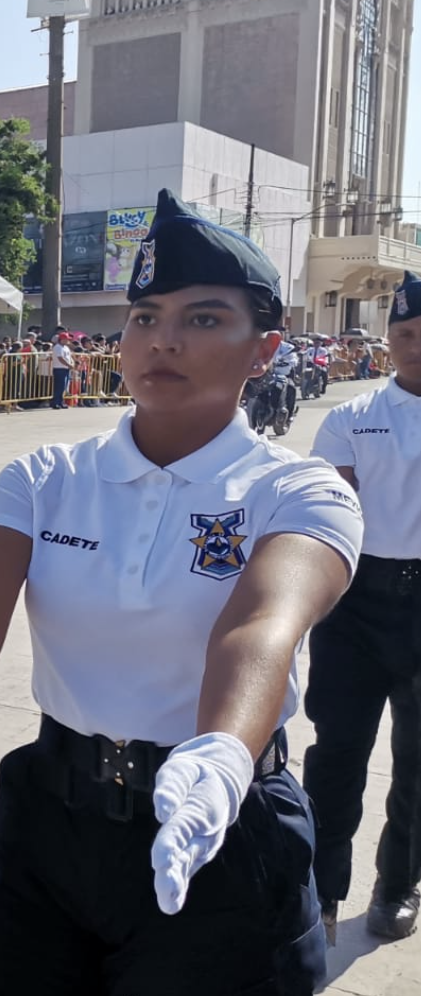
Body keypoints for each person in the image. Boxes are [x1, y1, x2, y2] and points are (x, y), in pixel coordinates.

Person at [0, 190, 361, 994]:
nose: (163, 340)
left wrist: (218, 757)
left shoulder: (300, 490)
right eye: (145, 317)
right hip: (53, 828)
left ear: (265, 349)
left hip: (221, 829)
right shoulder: (45, 479)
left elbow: (262, 625)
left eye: (204, 319)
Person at [302, 271, 421, 944]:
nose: (414, 346)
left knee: (418, 761)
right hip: (357, 603)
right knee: (337, 753)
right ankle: (320, 890)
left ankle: (399, 884)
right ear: (387, 338)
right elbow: (332, 512)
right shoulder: (352, 417)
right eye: (403, 333)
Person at [49, 332, 75, 409]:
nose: (68, 341)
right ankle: (55, 402)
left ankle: (60, 402)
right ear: (62, 339)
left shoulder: (66, 348)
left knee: (64, 387)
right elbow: (60, 358)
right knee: (59, 386)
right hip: (59, 368)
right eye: (66, 339)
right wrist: (68, 365)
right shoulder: (57, 347)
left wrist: (72, 363)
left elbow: (69, 357)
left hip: (66, 369)